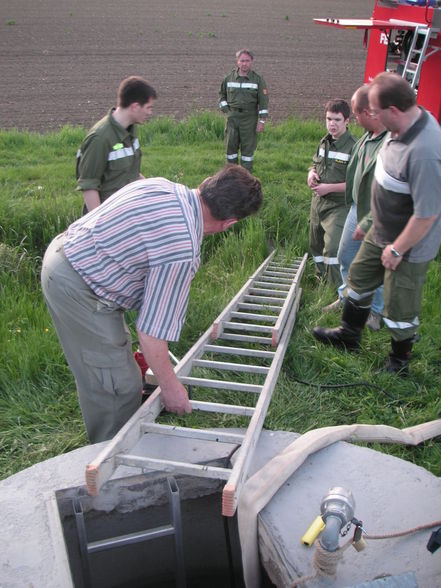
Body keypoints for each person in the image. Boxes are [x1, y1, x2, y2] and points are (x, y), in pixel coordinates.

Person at [41, 165, 263, 443]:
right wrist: (171, 389)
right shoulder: (183, 250)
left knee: (111, 362)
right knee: (118, 387)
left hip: (66, 252)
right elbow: (151, 333)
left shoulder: (160, 184)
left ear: (208, 183)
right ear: (230, 223)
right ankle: (111, 462)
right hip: (79, 284)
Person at [313, 72, 441, 375]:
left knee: (400, 304)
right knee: (358, 277)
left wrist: (397, 249)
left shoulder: (425, 151)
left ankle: (399, 362)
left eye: (375, 112)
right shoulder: (399, 127)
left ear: (393, 111)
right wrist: (370, 220)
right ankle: (349, 335)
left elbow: (427, 215)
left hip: (408, 242)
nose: (368, 117)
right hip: (380, 226)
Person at [323, 85, 387, 332]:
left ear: (370, 112)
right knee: (345, 256)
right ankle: (346, 297)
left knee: (375, 265)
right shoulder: (367, 137)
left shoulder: (388, 142)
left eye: (357, 113)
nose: (355, 118)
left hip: (378, 215)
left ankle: (374, 312)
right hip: (356, 209)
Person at [76, 76, 157, 213]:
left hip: (126, 215)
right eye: (148, 107)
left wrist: (155, 192)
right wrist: (101, 225)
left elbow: (132, 173)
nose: (150, 112)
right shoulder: (100, 138)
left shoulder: (130, 130)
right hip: (108, 221)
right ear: (135, 107)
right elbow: (89, 187)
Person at [307, 99, 356, 285]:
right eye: (329, 119)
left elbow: (355, 184)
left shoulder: (354, 147)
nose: (332, 124)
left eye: (337, 119)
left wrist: (329, 188)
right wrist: (310, 173)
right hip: (318, 202)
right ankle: (321, 279)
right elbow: (315, 163)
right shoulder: (323, 142)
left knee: (333, 248)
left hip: (338, 205)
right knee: (315, 244)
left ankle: (336, 289)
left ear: (347, 121)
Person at [219, 49, 269, 172]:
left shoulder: (258, 80)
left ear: (251, 62)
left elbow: (263, 101)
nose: (244, 63)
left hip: (249, 119)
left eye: (247, 61)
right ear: (237, 62)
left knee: (247, 151)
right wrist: (226, 109)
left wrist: (262, 122)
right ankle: (231, 175)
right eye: (242, 61)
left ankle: (246, 178)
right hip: (232, 119)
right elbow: (221, 95)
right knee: (231, 150)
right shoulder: (229, 78)